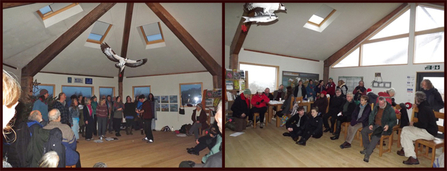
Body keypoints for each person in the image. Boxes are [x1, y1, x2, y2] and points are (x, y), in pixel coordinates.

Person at [397, 91, 437, 165]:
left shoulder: (423, 109)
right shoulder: (425, 106)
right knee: (405, 129)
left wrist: (413, 124)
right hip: (429, 131)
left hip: (428, 132)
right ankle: (405, 149)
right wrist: (416, 106)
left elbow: (423, 124)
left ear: (417, 100)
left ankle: (413, 157)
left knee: (406, 132)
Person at [360, 96, 397, 162]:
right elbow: (371, 115)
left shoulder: (390, 109)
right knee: (364, 131)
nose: (381, 105)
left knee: (375, 136)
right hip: (375, 125)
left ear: (385, 102)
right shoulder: (376, 107)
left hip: (383, 127)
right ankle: (367, 148)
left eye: (382, 104)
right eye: (379, 104)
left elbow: (394, 121)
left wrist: (388, 125)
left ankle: (367, 154)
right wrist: (371, 123)